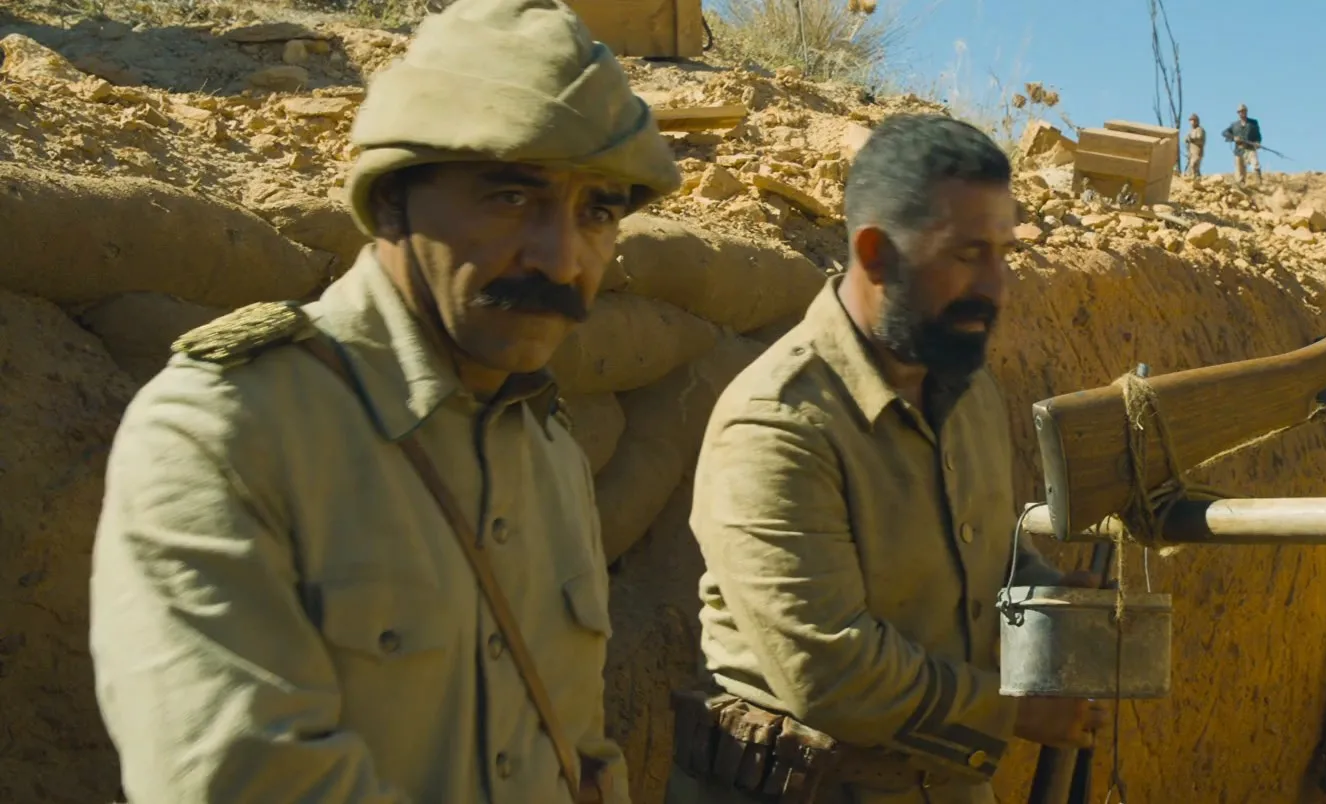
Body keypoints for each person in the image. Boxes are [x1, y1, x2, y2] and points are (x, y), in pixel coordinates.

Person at [86, 0, 683, 801]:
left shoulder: (551, 454)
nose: (561, 257)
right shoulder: (227, 428)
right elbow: (240, 778)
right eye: (511, 198)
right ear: (394, 197)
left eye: (598, 212)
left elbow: (580, 755)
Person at [666, 114, 1107, 804]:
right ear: (876, 255)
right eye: (966, 255)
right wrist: (1012, 711)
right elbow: (829, 669)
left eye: (1002, 254)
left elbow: (983, 553)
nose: (997, 287)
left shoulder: (968, 391)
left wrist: (1047, 594)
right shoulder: (777, 423)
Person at [1223, 103, 1264, 183]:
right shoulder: (1234, 125)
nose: (1241, 113)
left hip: (1250, 148)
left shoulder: (1253, 123)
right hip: (1239, 151)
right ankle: (1241, 186)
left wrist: (1257, 142)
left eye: (1243, 111)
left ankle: (1259, 183)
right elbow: (1224, 133)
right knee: (1240, 172)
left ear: (1246, 111)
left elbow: (1258, 136)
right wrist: (1234, 138)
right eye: (1239, 112)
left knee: (1255, 165)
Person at [1186, 112, 1206, 177]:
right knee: (1192, 168)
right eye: (1191, 121)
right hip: (1191, 152)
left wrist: (1192, 139)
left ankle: (1196, 178)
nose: (1192, 122)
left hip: (1198, 151)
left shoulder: (1200, 129)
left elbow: (1200, 139)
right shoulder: (1191, 130)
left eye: (1194, 120)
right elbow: (1187, 139)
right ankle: (1197, 178)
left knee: (1193, 164)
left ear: (1197, 121)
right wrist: (1187, 140)